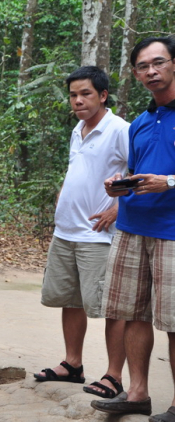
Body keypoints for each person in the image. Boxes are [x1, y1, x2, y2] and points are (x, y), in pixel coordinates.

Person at [90, 37, 175, 421]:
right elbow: (139, 171)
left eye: (158, 63)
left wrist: (169, 182)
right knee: (133, 313)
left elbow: (165, 177)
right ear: (136, 73)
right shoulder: (139, 122)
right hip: (130, 227)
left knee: (173, 321)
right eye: (143, 66)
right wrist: (119, 185)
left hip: (171, 231)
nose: (151, 71)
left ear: (173, 64)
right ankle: (137, 393)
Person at [32, 66, 128, 398]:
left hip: (98, 235)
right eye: (73, 95)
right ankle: (73, 364)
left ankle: (114, 376)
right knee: (70, 300)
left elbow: (141, 174)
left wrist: (118, 208)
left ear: (103, 95)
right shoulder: (79, 128)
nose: (78, 100)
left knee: (110, 306)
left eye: (85, 93)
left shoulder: (120, 130)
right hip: (67, 231)